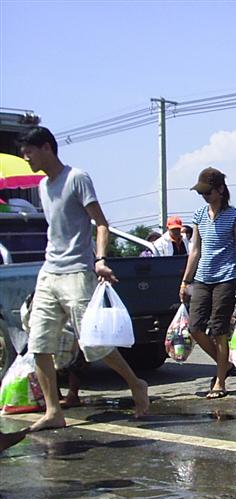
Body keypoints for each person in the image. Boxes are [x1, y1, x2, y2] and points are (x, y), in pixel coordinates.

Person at [17, 126, 149, 432]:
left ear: (47, 147)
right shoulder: (41, 186)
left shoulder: (77, 178)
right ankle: (53, 411)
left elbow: (101, 224)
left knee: (94, 344)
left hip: (78, 271)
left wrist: (100, 260)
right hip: (49, 272)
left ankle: (136, 384)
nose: (26, 158)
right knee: (38, 344)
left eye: (29, 152)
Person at [180, 167, 236, 399]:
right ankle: (225, 364)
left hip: (226, 278)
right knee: (195, 327)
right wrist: (185, 280)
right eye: (201, 193)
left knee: (219, 330)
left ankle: (220, 381)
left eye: (208, 192)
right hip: (202, 278)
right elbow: (195, 250)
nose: (204, 196)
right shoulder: (199, 215)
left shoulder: (235, 216)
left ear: (220, 190)